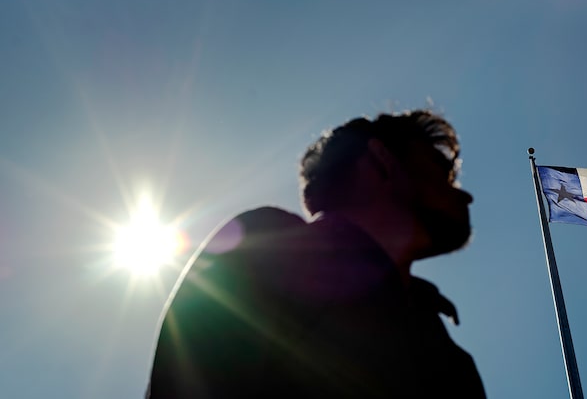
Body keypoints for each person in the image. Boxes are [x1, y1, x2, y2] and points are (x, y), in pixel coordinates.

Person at [146, 110, 486, 398]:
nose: (465, 196)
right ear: (382, 161)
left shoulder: (448, 352)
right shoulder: (268, 249)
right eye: (442, 174)